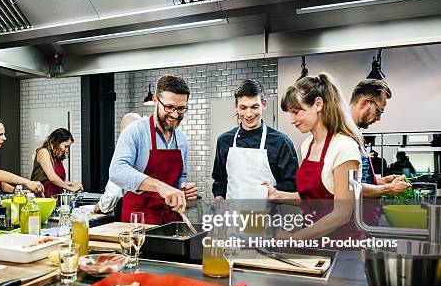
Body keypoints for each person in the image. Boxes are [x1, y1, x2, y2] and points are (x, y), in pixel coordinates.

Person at [265, 73, 363, 240]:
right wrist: (277, 195)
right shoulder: (307, 145)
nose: (292, 120)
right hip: (313, 243)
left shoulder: (344, 148)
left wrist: (294, 239)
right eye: (290, 113)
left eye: (296, 112)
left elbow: (342, 214)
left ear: (318, 104)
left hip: (341, 248)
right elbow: (314, 199)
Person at [109, 74, 198, 224]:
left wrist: (182, 189)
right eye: (169, 107)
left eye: (181, 108)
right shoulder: (134, 132)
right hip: (138, 221)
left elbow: (180, 176)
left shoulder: (181, 139)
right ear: (156, 100)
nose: (175, 115)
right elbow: (117, 171)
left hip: (171, 220)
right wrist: (160, 186)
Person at [212, 79, 298, 200]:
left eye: (254, 107)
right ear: (236, 107)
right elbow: (219, 180)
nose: (249, 114)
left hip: (268, 215)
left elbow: (292, 184)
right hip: (232, 215)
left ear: (264, 104)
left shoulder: (281, 142)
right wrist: (219, 199)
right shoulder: (224, 141)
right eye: (243, 107)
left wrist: (269, 192)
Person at [349, 79, 410, 196]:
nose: (379, 118)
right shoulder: (343, 135)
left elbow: (357, 180)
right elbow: (349, 187)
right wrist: (389, 188)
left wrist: (383, 181)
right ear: (364, 103)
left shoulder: (354, 133)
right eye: (379, 111)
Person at [94, 113, 142, 214]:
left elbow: (114, 191)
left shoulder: (127, 150)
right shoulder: (152, 146)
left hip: (134, 216)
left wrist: (102, 206)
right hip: (163, 218)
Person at [31, 128, 82, 198]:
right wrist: (71, 188)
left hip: (54, 199)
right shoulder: (43, 152)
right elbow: (52, 178)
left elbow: (60, 181)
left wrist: (72, 184)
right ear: (57, 142)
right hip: (41, 200)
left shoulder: (57, 158)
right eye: (66, 146)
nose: (67, 150)